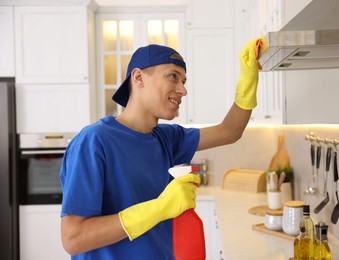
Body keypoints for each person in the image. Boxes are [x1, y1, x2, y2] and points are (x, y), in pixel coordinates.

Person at [60, 37, 267, 259]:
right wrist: (159, 208)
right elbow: (74, 238)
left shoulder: (166, 138)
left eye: (184, 81)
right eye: (173, 77)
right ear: (138, 77)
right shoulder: (93, 141)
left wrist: (248, 78)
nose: (183, 90)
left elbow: (230, 131)